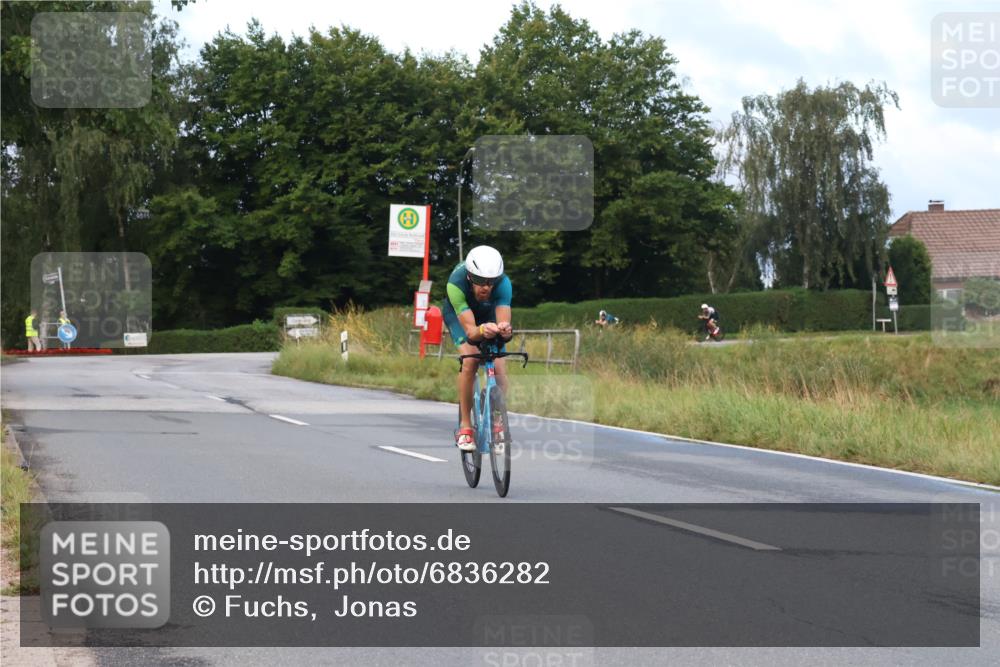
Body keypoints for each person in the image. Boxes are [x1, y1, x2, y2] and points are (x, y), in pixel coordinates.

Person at [442, 246, 513, 452]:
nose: (486, 287)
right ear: (470, 276)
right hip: (460, 317)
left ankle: (496, 420)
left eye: (491, 282)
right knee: (471, 360)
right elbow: (472, 333)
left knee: (499, 370)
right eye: (480, 281)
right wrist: (482, 329)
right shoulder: (455, 284)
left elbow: (504, 325)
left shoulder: (504, 284)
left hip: (488, 314)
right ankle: (465, 427)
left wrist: (505, 330)